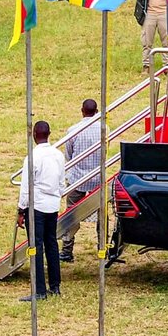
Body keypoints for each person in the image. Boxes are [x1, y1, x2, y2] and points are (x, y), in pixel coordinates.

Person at [17, 120, 65, 302]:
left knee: (36, 247)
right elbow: (62, 182)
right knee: (51, 244)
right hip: (52, 205)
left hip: (36, 205)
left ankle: (39, 290)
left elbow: (26, 187)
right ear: (49, 133)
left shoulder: (32, 157)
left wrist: (21, 209)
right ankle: (55, 286)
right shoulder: (58, 155)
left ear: (33, 135)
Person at [60, 99, 102, 263]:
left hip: (77, 179)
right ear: (96, 111)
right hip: (97, 178)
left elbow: (68, 157)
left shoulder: (73, 130)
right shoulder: (104, 129)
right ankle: (102, 248)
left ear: (82, 111)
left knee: (71, 214)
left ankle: (67, 249)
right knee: (101, 215)